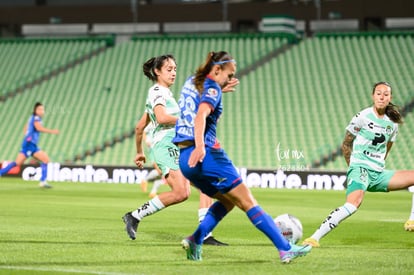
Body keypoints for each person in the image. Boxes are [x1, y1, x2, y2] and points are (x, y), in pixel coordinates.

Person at [172, 51, 311, 263]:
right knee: (247, 201)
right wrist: (200, 146)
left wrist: (219, 89)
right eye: (229, 75)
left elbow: (198, 102)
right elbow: (201, 115)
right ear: (217, 70)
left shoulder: (192, 82)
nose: (230, 79)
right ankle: (285, 248)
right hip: (206, 155)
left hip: (185, 159)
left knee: (227, 202)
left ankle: (195, 240)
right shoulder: (211, 87)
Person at [122, 54, 227, 246]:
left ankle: (204, 234)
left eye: (175, 69)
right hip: (166, 145)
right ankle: (134, 216)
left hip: (178, 144)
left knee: (207, 184)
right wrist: (188, 121)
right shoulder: (156, 91)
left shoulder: (164, 94)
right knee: (181, 193)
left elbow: (139, 127)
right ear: (157, 71)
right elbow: (161, 118)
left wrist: (139, 152)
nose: (173, 73)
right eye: (169, 69)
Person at [302, 81, 414, 247]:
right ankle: (314, 238)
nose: (382, 97)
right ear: (373, 96)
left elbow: (387, 147)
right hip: (360, 168)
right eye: (378, 93)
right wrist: (353, 167)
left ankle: (412, 220)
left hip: (378, 173)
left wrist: (378, 164)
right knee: (354, 204)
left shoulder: (393, 123)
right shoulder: (362, 117)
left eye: (386, 94)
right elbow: (346, 144)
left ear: (390, 97)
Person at [0, 102, 59, 188]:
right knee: (43, 160)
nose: (42, 111)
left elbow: (25, 128)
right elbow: (38, 128)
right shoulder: (36, 118)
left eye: (43, 109)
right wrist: (53, 131)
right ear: (35, 110)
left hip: (30, 144)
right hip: (30, 144)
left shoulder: (32, 118)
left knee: (43, 159)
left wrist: (27, 136)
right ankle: (42, 182)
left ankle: (43, 181)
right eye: (40, 109)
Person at [140, 122, 165, 198]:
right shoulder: (151, 123)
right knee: (160, 170)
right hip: (152, 147)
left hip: (159, 147)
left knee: (161, 173)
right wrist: (146, 141)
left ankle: (153, 192)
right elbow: (143, 131)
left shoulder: (161, 123)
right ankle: (145, 180)